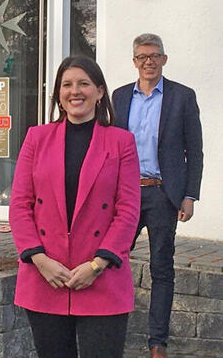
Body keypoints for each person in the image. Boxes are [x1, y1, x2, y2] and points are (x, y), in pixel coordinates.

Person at [9, 56, 141, 358]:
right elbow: (19, 205)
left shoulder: (122, 142)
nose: (75, 91)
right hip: (46, 276)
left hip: (102, 278)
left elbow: (128, 210)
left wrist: (97, 265)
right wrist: (41, 260)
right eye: (67, 85)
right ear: (58, 94)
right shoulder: (36, 138)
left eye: (84, 83)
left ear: (99, 91)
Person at [112, 33, 203, 358]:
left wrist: (189, 195)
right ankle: (110, 330)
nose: (148, 61)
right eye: (142, 56)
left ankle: (157, 343)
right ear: (134, 61)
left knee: (161, 268)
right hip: (125, 194)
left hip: (164, 194)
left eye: (154, 55)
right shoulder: (120, 96)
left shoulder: (182, 96)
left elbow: (194, 150)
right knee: (112, 260)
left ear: (164, 59)